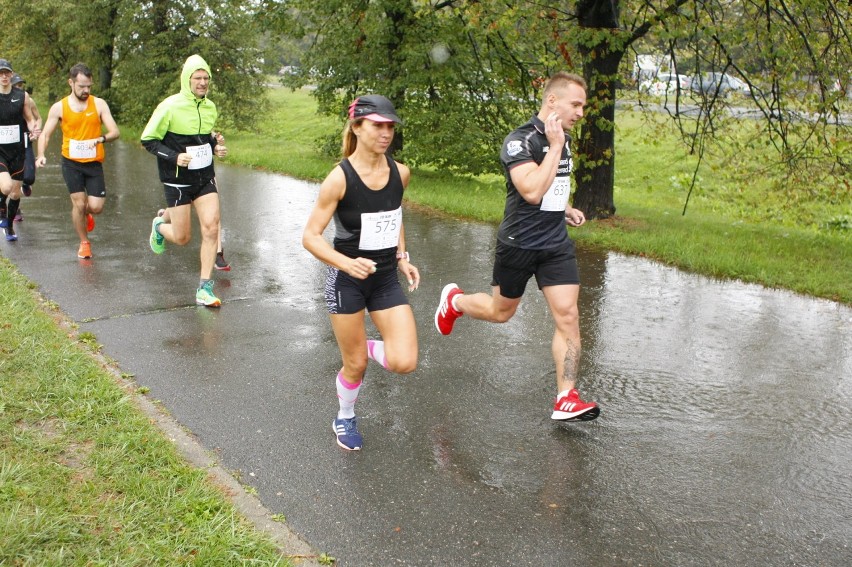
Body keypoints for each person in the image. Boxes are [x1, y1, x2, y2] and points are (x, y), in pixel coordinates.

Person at [434, 72, 600, 422]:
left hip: (555, 243)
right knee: (501, 312)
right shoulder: (519, 142)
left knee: (568, 316)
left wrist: (564, 208)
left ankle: (566, 396)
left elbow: (550, 189)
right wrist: (554, 147)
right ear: (552, 101)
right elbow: (530, 191)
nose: (581, 112)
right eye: (576, 104)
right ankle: (456, 301)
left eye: (583, 106)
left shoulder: (563, 140)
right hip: (519, 244)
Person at [302, 94, 420, 451]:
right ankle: (345, 416)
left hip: (384, 278)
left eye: (390, 127)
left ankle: (366, 347)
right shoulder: (339, 179)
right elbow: (310, 237)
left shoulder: (400, 172)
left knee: (405, 361)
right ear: (357, 127)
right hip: (347, 281)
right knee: (354, 366)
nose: (386, 133)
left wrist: (402, 255)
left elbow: (393, 213)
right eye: (377, 125)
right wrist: (345, 262)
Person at [141, 54, 228, 307]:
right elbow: (148, 140)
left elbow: (203, 140)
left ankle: (204, 288)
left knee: (212, 227)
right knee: (182, 238)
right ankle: (159, 226)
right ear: (187, 79)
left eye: (206, 78)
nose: (202, 83)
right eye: (197, 78)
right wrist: (174, 156)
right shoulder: (169, 106)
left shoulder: (210, 107)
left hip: (204, 177)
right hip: (177, 180)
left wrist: (215, 148)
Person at [36, 63, 119, 258]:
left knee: (96, 207)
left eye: (89, 86)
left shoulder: (99, 104)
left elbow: (115, 131)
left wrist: (101, 139)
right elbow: (45, 135)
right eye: (81, 86)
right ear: (71, 83)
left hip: (93, 163)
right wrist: (41, 154)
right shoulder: (59, 108)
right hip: (71, 162)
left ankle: (86, 215)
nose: (86, 90)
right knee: (79, 204)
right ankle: (84, 242)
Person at [0, 59, 40, 241]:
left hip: (17, 150)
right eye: (0, 73)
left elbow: (30, 118)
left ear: (11, 73)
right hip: (0, 150)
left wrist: (33, 128)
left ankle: (8, 227)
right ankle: (1, 210)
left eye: (6, 72)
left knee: (16, 192)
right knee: (6, 186)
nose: (4, 76)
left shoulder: (21, 96)